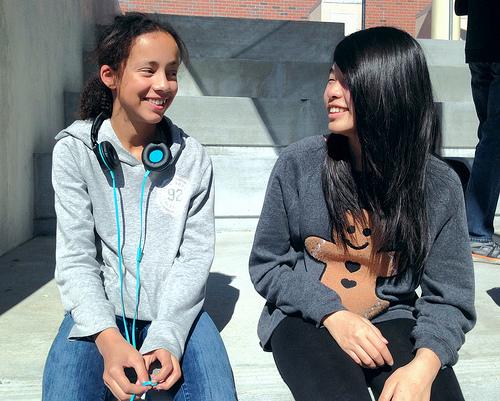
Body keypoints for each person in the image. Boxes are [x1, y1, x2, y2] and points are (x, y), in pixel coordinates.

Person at [249, 27, 475, 401]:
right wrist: (333, 315)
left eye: (346, 82)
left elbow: (449, 297)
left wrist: (424, 365)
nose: (331, 93)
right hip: (306, 316)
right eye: (330, 79)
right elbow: (268, 265)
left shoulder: (438, 185)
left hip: (392, 317)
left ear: (388, 90)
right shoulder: (299, 165)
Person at [42, 13, 237, 401]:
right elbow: (76, 259)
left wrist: (167, 336)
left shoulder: (193, 158)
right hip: (100, 314)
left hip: (175, 313)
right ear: (110, 76)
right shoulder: (74, 151)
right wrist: (108, 339)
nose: (162, 86)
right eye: (148, 70)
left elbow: (194, 258)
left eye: (172, 72)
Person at [455, 0, 500, 264]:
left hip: (479, 46)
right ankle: (477, 233)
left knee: (490, 139)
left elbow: (461, 7)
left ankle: (475, 229)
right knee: (493, 142)